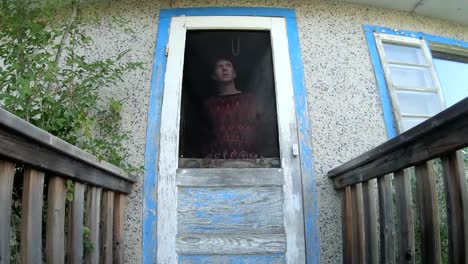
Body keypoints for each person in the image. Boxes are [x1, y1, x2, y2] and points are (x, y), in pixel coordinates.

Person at [202, 58, 259, 159]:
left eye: (228, 65)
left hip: (248, 161)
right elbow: (204, 134)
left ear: (234, 74)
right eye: (220, 66)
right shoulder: (209, 104)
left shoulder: (250, 100)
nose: (224, 69)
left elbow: (261, 129)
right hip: (216, 161)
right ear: (214, 76)